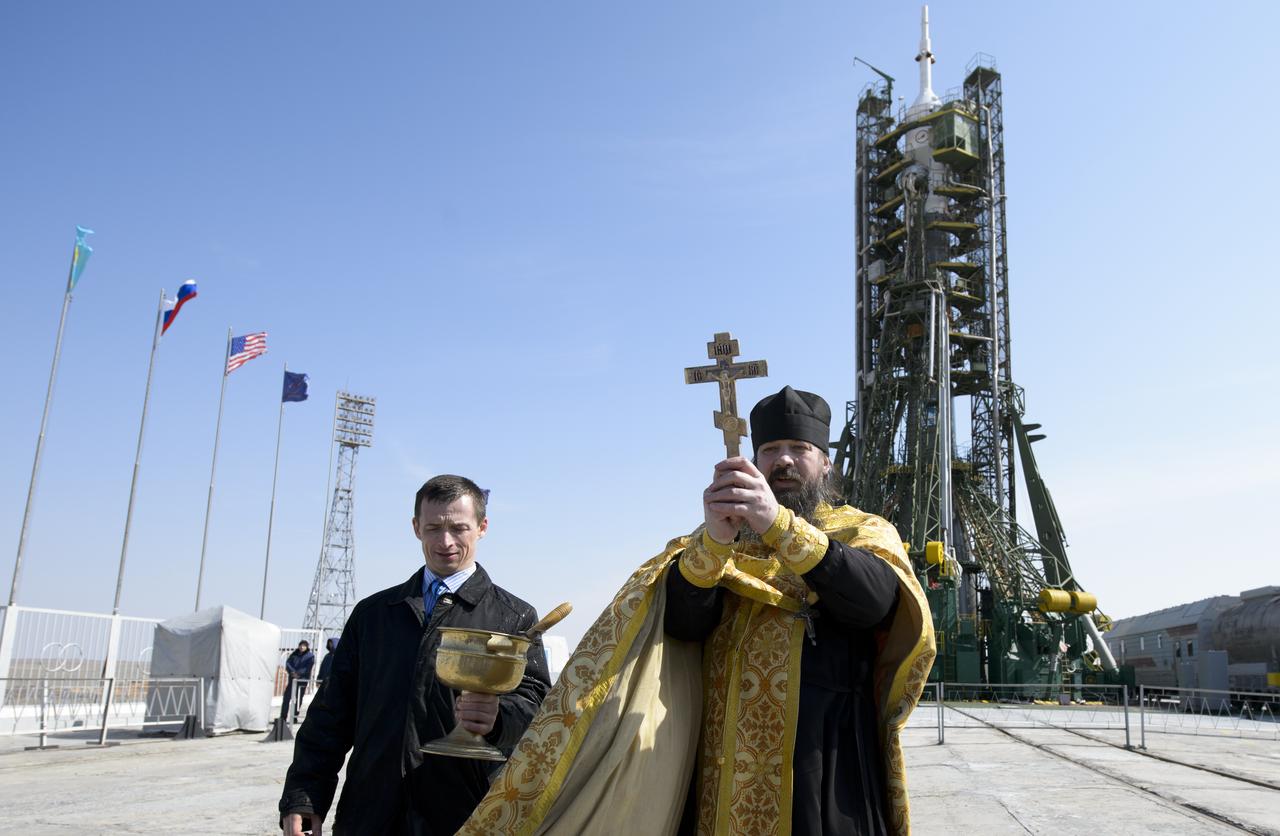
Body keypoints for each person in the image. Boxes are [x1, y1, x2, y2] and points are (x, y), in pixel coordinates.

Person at [459, 386, 935, 836]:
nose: (783, 460)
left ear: (825, 463)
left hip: (824, 763)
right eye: (770, 450)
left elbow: (874, 602)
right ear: (755, 459)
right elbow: (683, 626)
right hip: (719, 761)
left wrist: (777, 524)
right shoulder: (717, 535)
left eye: (799, 449)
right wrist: (715, 542)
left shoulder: (862, 530)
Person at [278, 475, 552, 836]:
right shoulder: (374, 614)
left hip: (465, 815)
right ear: (415, 527)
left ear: (482, 527)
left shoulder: (513, 616)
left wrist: (499, 717)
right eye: (434, 527)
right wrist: (305, 795)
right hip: (370, 813)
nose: (446, 541)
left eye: (459, 528)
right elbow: (331, 713)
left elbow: (537, 706)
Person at [282, 641, 315, 723]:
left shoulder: (310, 656)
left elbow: (308, 667)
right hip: (292, 680)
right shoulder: (294, 654)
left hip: (301, 681)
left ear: (307, 647)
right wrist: (292, 672)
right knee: (286, 698)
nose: (302, 647)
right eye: (301, 645)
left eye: (304, 646)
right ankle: (283, 717)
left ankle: (294, 717)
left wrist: (299, 673)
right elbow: (288, 663)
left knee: (298, 699)